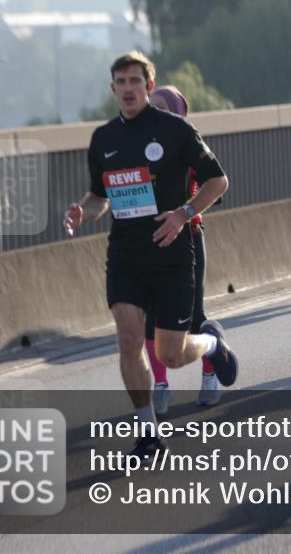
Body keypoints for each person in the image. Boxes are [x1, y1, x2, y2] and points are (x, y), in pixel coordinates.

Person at [64, 52, 237, 458]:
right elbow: (98, 197)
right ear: (113, 89)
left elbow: (218, 180)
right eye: (120, 82)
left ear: (147, 85)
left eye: (134, 81)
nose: (127, 88)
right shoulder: (103, 139)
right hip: (126, 252)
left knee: (170, 354)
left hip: (172, 251)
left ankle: (211, 345)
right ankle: (149, 432)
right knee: (128, 338)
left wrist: (183, 213)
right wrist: (81, 211)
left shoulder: (175, 130)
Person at [145, 85, 222, 413]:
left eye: (162, 107)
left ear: (177, 112)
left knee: (192, 318)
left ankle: (210, 370)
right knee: (152, 318)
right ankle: (160, 385)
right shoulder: (138, 145)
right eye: (151, 106)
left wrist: (185, 211)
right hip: (148, 241)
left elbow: (216, 183)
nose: (154, 112)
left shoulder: (189, 142)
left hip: (188, 237)